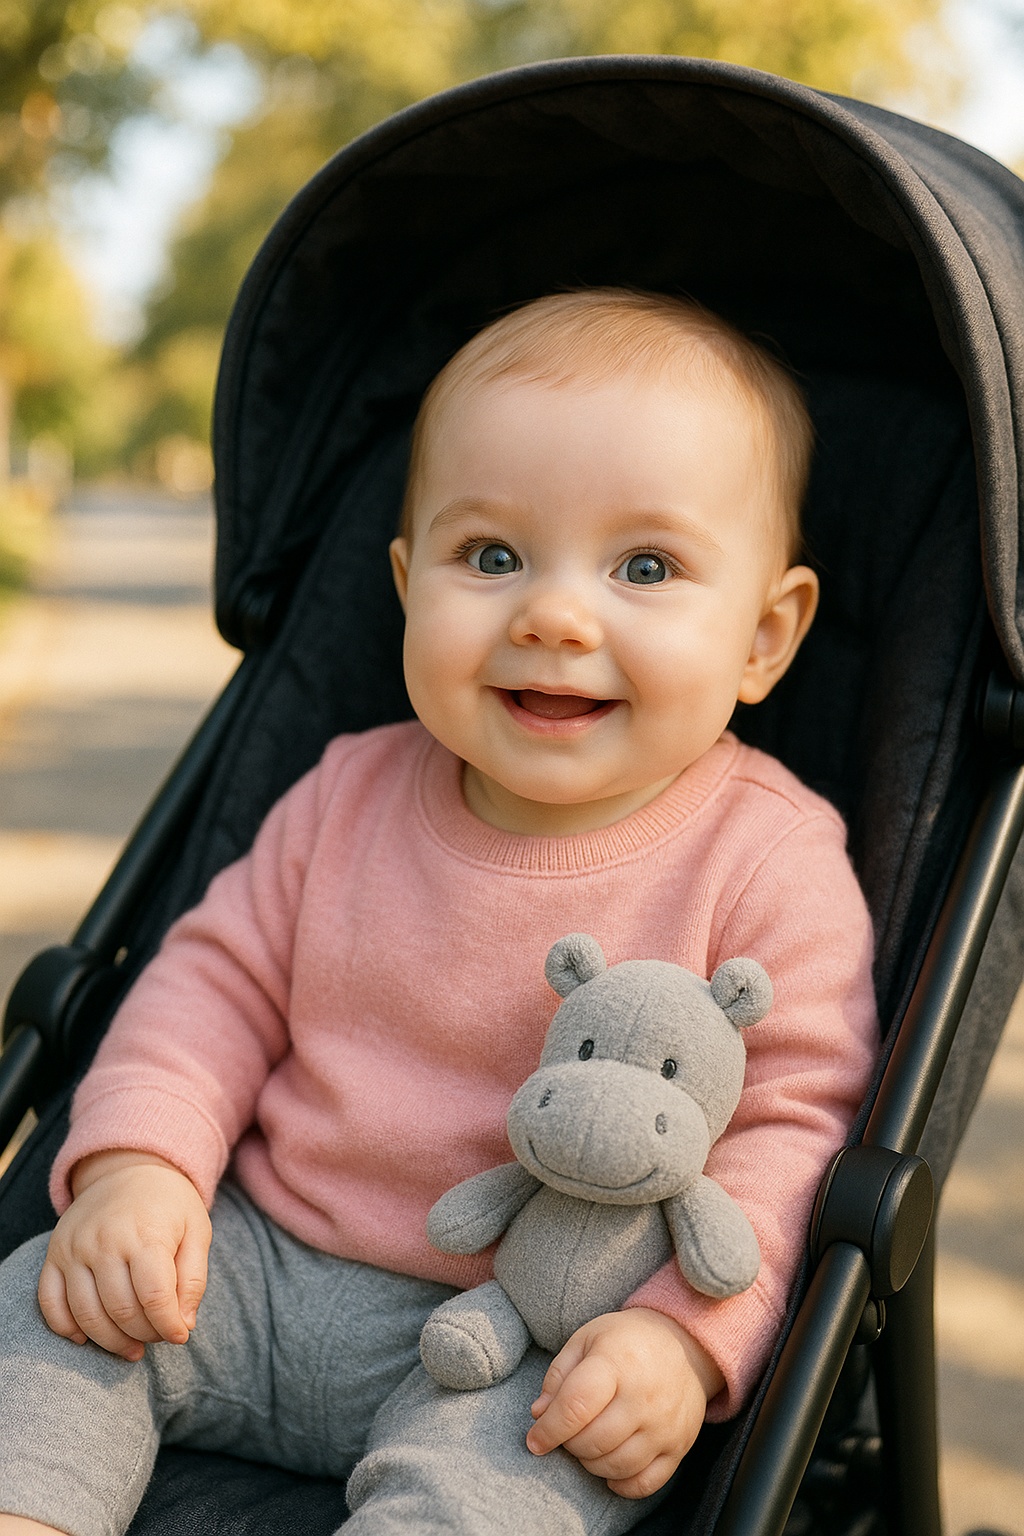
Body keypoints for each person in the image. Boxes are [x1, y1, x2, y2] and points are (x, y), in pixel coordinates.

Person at [0, 289, 877, 1536]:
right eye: (492, 557)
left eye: (645, 567)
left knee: (521, 1478)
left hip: (527, 1336)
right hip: (245, 1263)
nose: (554, 615)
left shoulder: (767, 858)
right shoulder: (347, 789)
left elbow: (792, 1136)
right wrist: (142, 1171)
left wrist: (682, 1341)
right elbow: (207, 990)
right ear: (409, 584)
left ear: (765, 636)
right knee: (50, 1305)